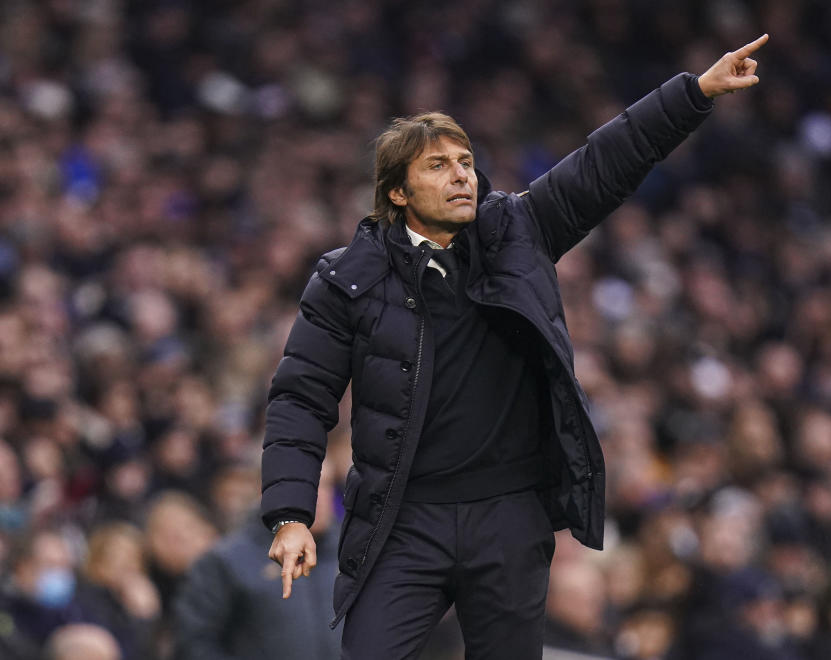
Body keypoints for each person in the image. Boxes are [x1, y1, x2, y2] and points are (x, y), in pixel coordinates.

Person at [261, 34, 770, 659]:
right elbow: (300, 398)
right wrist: (290, 514)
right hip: (402, 518)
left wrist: (693, 93)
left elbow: (603, 162)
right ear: (397, 193)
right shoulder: (346, 279)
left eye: (466, 162)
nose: (461, 176)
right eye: (438, 166)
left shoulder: (518, 232)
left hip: (507, 515)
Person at [172, 479, 341, 660]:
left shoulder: (351, 553)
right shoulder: (227, 560)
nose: (319, 496)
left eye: (326, 485)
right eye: (306, 484)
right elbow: (195, 642)